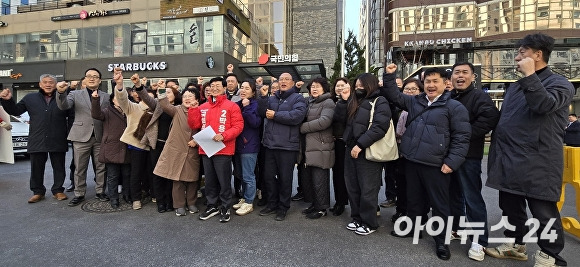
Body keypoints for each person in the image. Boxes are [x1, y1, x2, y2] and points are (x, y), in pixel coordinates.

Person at [485, 33, 573, 267]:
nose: (516, 58)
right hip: (508, 157)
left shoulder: (560, 83)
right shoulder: (515, 87)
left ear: (538, 54)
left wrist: (530, 75)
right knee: (510, 206)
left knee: (543, 211)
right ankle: (516, 245)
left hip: (539, 159)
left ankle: (551, 256)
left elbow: (544, 105)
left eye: (522, 52)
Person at [382, 65, 471, 260]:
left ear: (445, 83)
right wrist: (389, 75)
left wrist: (452, 162)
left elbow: (462, 138)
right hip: (412, 161)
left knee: (440, 205)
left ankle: (441, 242)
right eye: (427, 81)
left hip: (437, 165)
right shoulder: (415, 102)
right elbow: (393, 95)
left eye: (435, 81)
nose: (430, 85)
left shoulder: (454, 107)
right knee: (414, 200)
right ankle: (414, 229)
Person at [448, 62, 500, 261]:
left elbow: (490, 118)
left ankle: (480, 241)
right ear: (451, 77)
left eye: (465, 72)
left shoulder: (479, 96)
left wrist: (464, 135)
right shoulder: (450, 97)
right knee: (453, 195)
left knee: (472, 199)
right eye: (456, 73)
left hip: (469, 156)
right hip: (449, 155)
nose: (460, 76)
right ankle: (457, 228)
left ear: (473, 77)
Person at [0, 75, 70, 203]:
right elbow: (16, 111)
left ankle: (58, 190)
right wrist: (7, 100)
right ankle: (38, 192)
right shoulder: (30, 98)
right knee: (36, 168)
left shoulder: (62, 97)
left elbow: (72, 115)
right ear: (40, 84)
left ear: (55, 84)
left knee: (59, 167)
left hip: (58, 137)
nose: (48, 85)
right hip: (37, 138)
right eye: (45, 82)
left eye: (51, 82)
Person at [340, 73, 391, 235]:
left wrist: (360, 145)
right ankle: (357, 218)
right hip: (350, 148)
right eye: (356, 86)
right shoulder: (355, 101)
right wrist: (344, 100)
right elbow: (341, 120)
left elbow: (379, 127)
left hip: (367, 150)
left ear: (370, 85)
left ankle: (369, 222)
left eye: (361, 85)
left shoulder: (380, 101)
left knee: (368, 189)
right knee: (352, 187)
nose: (358, 88)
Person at [188, 76, 243, 223]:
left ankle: (225, 207)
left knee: (224, 181)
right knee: (210, 180)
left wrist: (224, 135)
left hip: (224, 149)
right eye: (212, 86)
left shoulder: (232, 106)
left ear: (224, 88)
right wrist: (193, 109)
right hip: (206, 149)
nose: (215, 88)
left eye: (218, 85)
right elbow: (194, 125)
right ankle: (212, 205)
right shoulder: (203, 106)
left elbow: (238, 126)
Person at [257, 72, 307, 221]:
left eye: (287, 79)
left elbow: (297, 117)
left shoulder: (298, 98)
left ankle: (283, 207)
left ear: (292, 83)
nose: (283, 82)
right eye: (281, 79)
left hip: (287, 146)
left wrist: (276, 115)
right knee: (268, 177)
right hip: (270, 145)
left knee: (285, 178)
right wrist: (264, 97)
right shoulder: (272, 98)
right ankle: (272, 204)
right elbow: (262, 113)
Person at [56, 68, 109, 206]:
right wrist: (61, 93)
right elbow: (64, 106)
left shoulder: (106, 96)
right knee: (80, 167)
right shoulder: (75, 94)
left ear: (100, 80)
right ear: (84, 79)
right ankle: (79, 193)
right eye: (89, 76)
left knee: (101, 167)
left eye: (95, 76)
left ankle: (100, 191)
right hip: (80, 136)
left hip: (99, 135)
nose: (92, 78)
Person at [153, 88, 201, 217]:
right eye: (185, 96)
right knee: (177, 179)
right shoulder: (177, 110)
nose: (187, 98)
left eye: (190, 96)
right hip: (177, 150)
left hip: (193, 150)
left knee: (192, 179)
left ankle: (191, 202)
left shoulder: (202, 111)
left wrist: (197, 140)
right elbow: (164, 104)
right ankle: (179, 205)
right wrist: (162, 90)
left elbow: (207, 128)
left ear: (196, 99)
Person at [300, 77, 335, 219]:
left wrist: (302, 128)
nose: (314, 89)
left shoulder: (328, 102)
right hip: (309, 146)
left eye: (317, 86)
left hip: (320, 146)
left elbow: (324, 122)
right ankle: (315, 204)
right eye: (312, 86)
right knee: (310, 179)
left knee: (320, 179)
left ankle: (322, 208)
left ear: (324, 89)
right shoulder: (309, 102)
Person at [390, 78, 423, 223]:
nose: (409, 92)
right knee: (401, 183)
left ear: (420, 91)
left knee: (415, 187)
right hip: (399, 150)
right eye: (406, 89)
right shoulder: (398, 108)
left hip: (416, 152)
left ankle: (415, 216)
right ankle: (401, 210)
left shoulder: (424, 107)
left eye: (413, 89)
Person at [90, 90, 130, 209]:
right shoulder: (107, 111)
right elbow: (96, 114)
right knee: (112, 175)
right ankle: (114, 199)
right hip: (112, 147)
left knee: (127, 174)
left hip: (127, 147)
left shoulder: (129, 111)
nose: (119, 100)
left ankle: (127, 195)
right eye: (117, 98)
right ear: (112, 100)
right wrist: (95, 100)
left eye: (122, 98)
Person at [232, 80, 261, 216]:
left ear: (253, 92)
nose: (243, 90)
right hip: (237, 145)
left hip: (249, 145)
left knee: (248, 175)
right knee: (241, 175)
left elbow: (255, 123)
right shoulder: (237, 105)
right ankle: (244, 197)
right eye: (242, 88)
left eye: (247, 88)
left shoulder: (255, 104)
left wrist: (247, 107)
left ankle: (249, 202)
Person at [330, 77, 351, 216]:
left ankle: (353, 202)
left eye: (343, 85)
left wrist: (344, 101)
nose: (340, 88)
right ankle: (340, 202)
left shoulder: (352, 102)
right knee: (337, 174)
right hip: (335, 142)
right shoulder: (331, 102)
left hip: (348, 143)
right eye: (337, 86)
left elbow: (343, 118)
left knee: (349, 175)